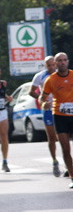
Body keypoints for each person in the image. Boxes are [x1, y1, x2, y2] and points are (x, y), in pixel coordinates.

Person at [40, 52, 73, 189]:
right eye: (59, 61)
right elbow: (42, 98)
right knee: (66, 148)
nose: (62, 62)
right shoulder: (51, 80)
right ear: (56, 63)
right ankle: (72, 176)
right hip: (59, 115)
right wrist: (44, 104)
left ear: (68, 61)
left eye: (65, 60)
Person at [29, 56, 61, 176]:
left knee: (64, 137)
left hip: (61, 108)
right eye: (49, 65)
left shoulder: (62, 75)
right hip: (48, 109)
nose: (51, 67)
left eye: (53, 64)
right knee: (52, 137)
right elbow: (31, 91)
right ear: (45, 65)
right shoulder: (40, 76)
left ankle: (68, 164)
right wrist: (42, 101)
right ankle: (54, 161)